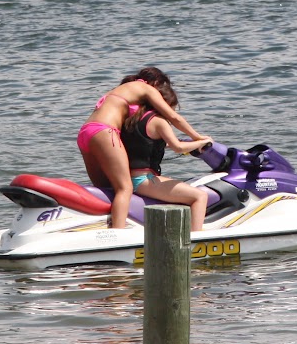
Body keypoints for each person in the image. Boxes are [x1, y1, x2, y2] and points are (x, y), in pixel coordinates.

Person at [78, 67, 210, 229]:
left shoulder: (125, 91)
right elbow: (174, 117)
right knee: (124, 188)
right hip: (104, 131)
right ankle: (117, 235)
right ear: (156, 83)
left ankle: (98, 227)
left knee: (106, 189)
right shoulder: (146, 88)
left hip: (86, 132)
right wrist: (198, 138)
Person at [122, 99, 213, 231]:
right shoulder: (159, 121)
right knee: (200, 196)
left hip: (131, 178)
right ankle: (195, 239)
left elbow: (153, 144)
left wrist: (187, 144)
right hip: (142, 180)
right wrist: (201, 142)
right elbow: (178, 147)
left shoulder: (135, 119)